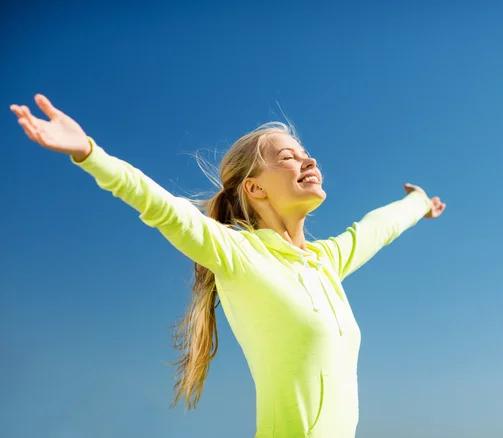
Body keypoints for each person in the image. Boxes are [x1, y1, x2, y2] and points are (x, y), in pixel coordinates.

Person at [10, 94, 446, 438]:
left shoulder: (326, 262)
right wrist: (89, 152)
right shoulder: (237, 254)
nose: (308, 161)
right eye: (288, 157)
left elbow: (378, 226)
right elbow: (161, 207)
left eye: (306, 153)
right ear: (254, 188)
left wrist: (418, 202)